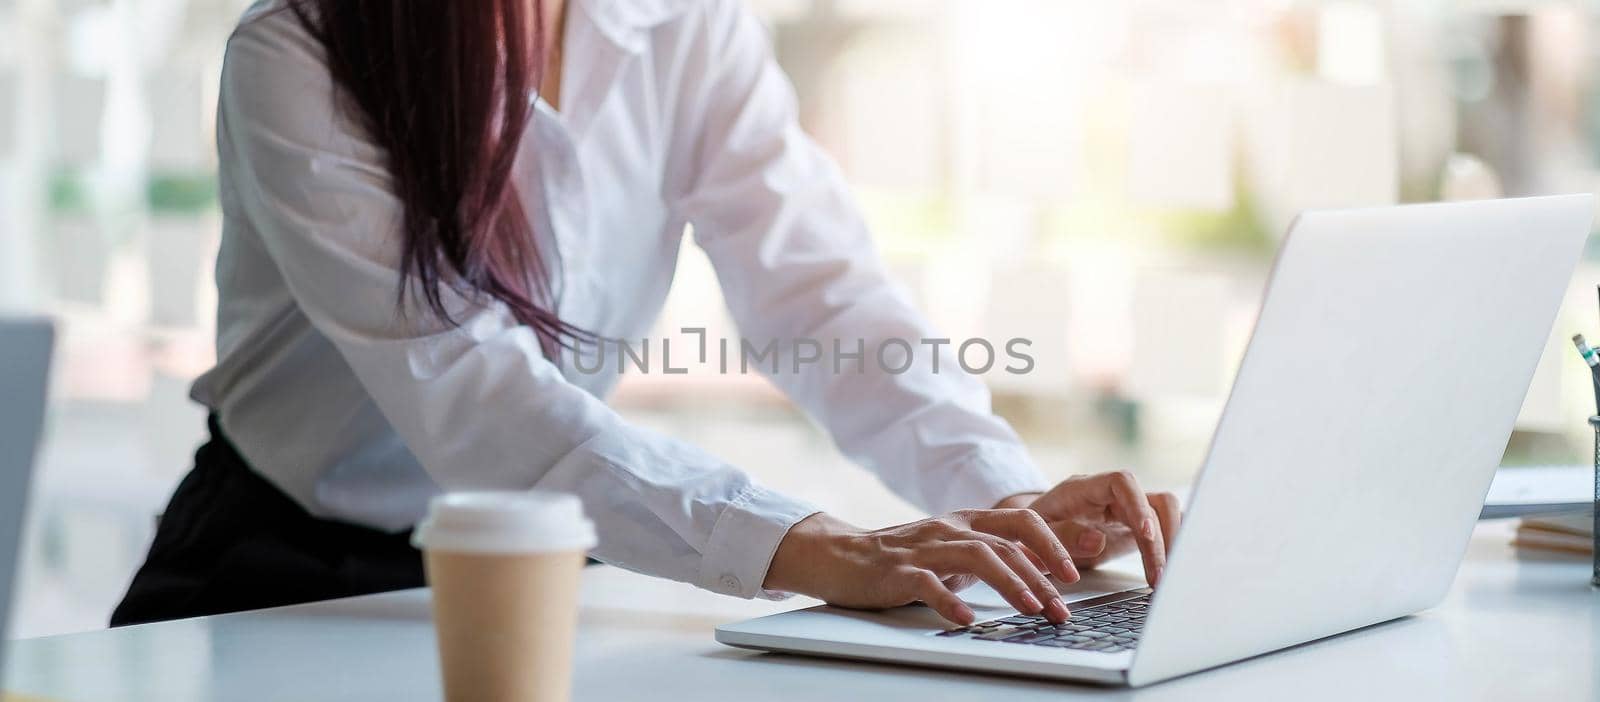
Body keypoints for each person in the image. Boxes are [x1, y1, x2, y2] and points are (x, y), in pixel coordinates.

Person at [112, 0, 1181, 628]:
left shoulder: (682, 23)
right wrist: (806, 545)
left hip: (543, 554)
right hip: (282, 569)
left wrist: (1014, 506)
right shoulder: (300, 46)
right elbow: (474, 392)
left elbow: (822, 294)